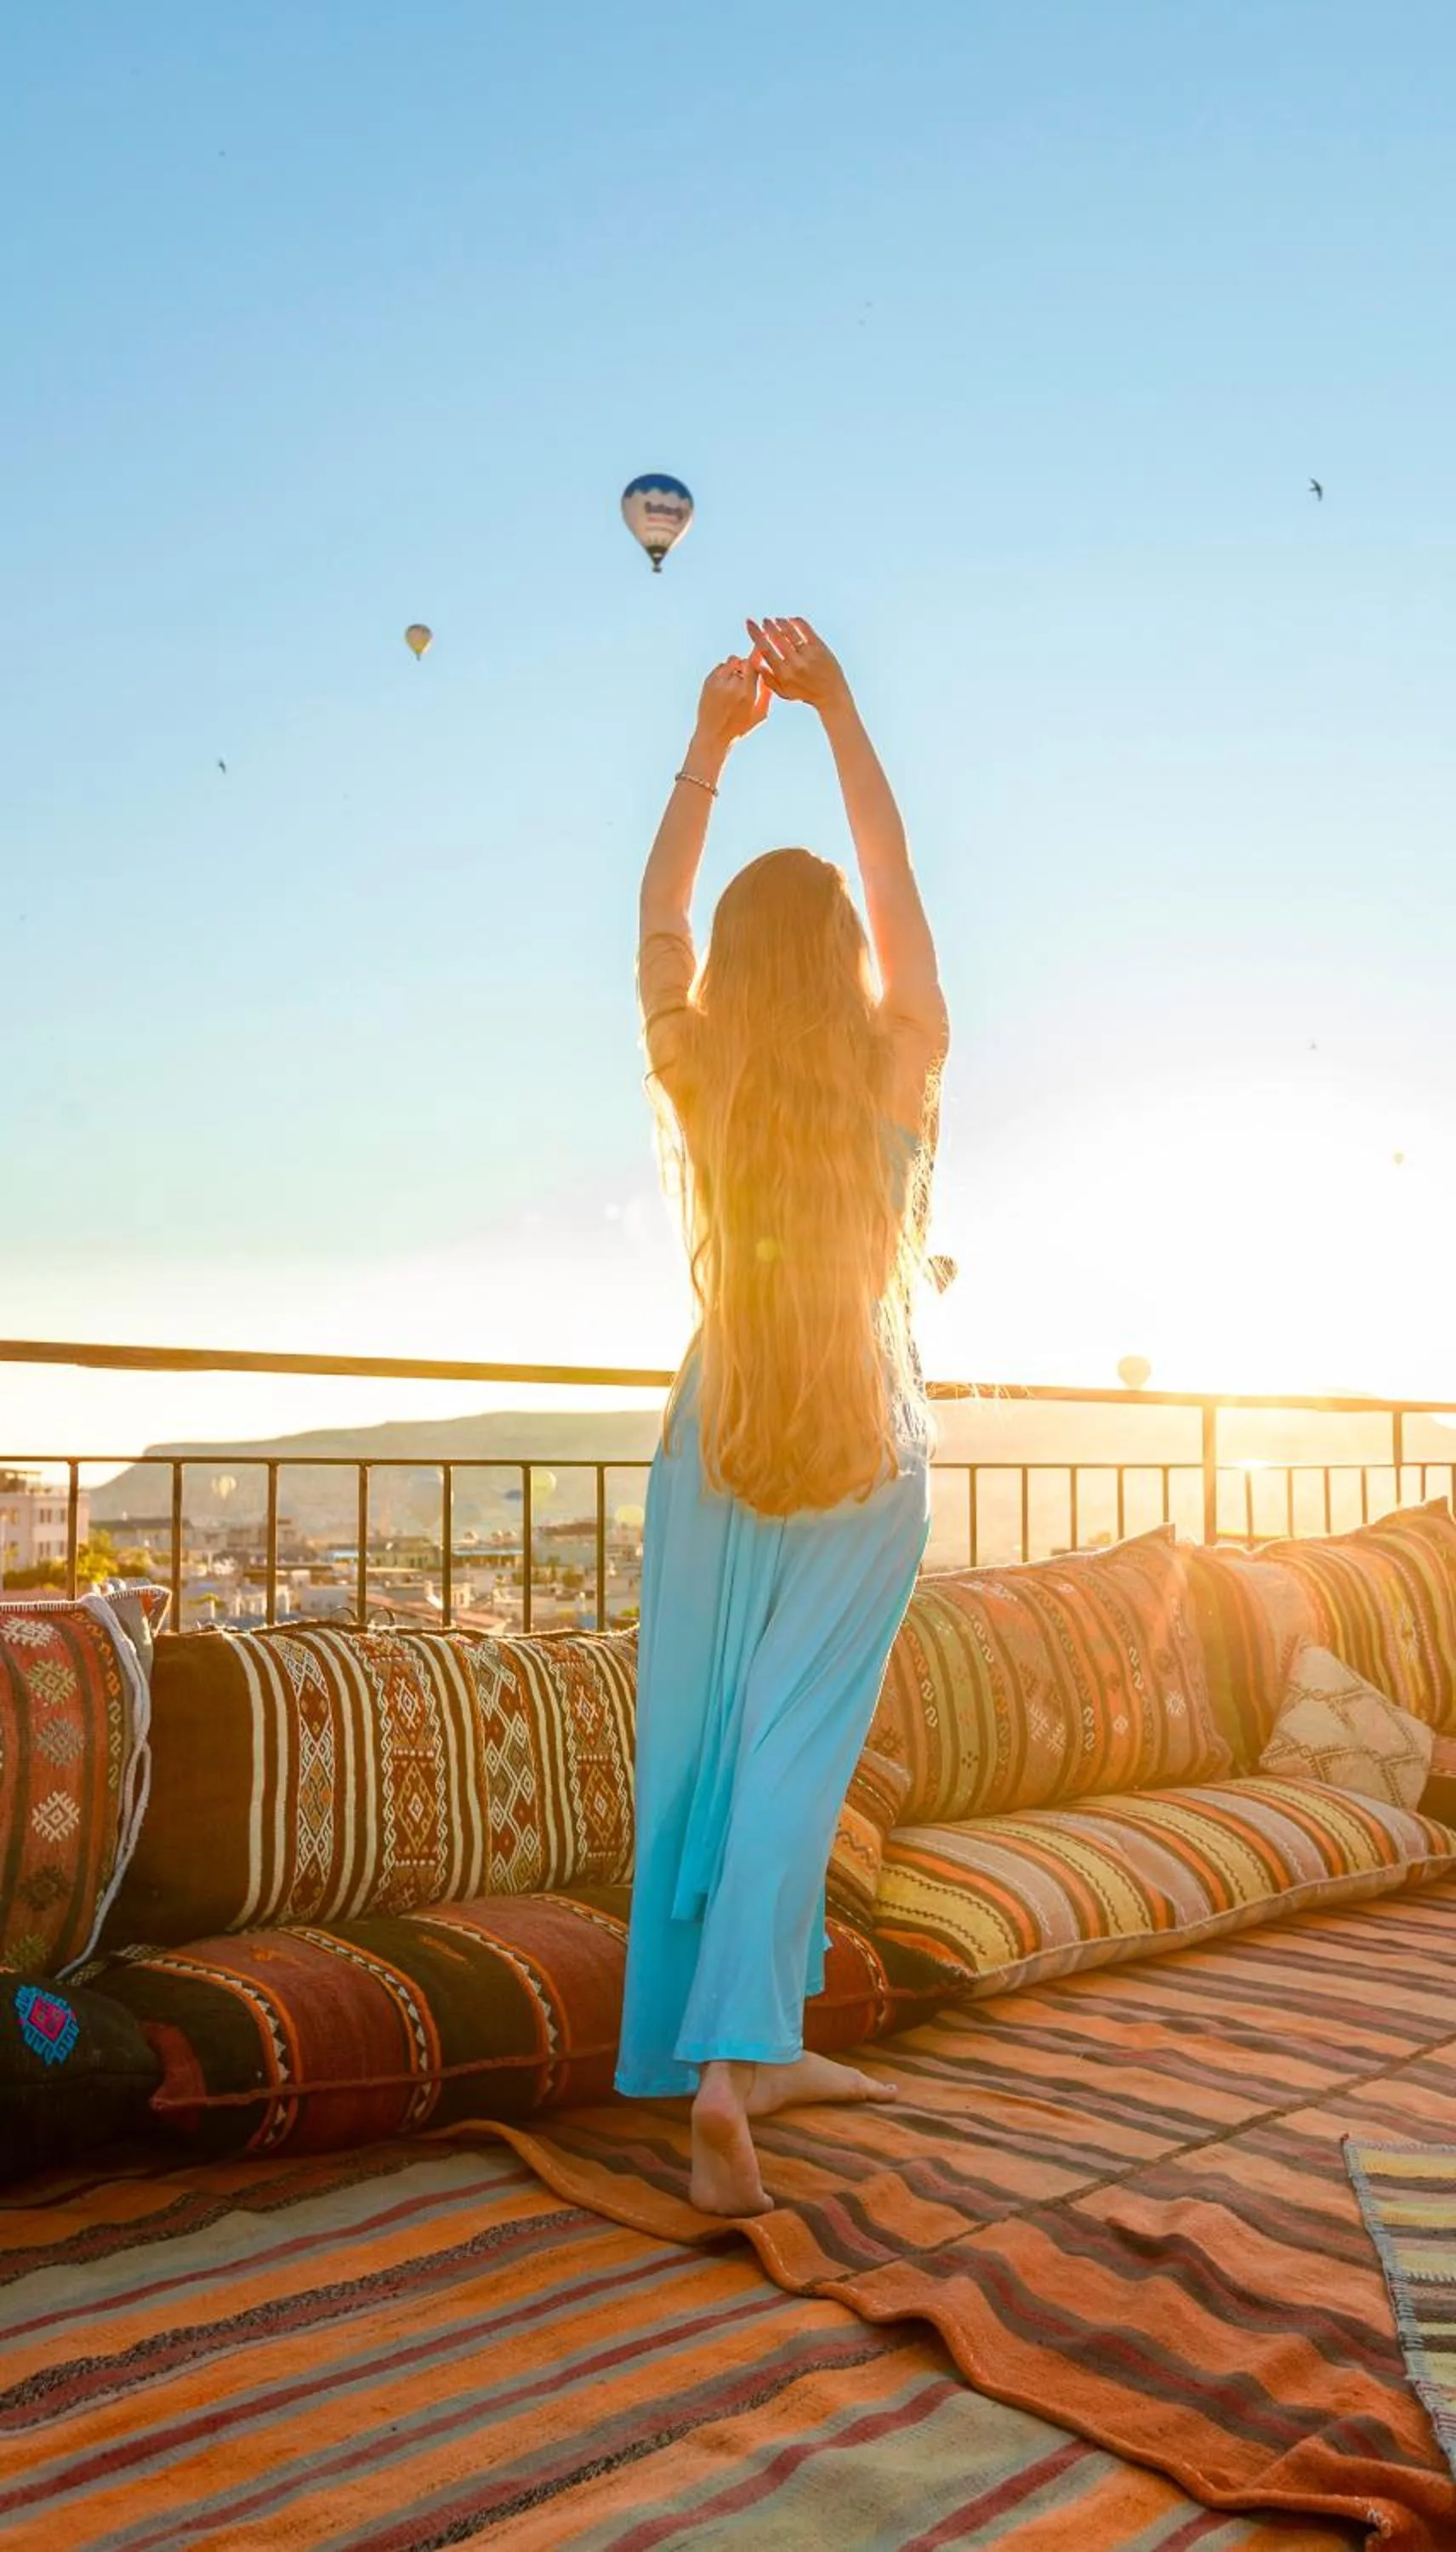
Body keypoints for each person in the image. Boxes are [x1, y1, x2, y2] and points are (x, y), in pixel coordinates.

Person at [615, 616, 950, 2217]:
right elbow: (894, 897)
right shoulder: (900, 1059)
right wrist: (842, 717)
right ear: (847, 970)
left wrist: (712, 744)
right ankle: (734, 2074)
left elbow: (657, 920)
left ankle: (752, 2042)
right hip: (861, 1443)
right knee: (794, 1760)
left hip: (719, 1430)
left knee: (710, 1749)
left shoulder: (699, 1069)